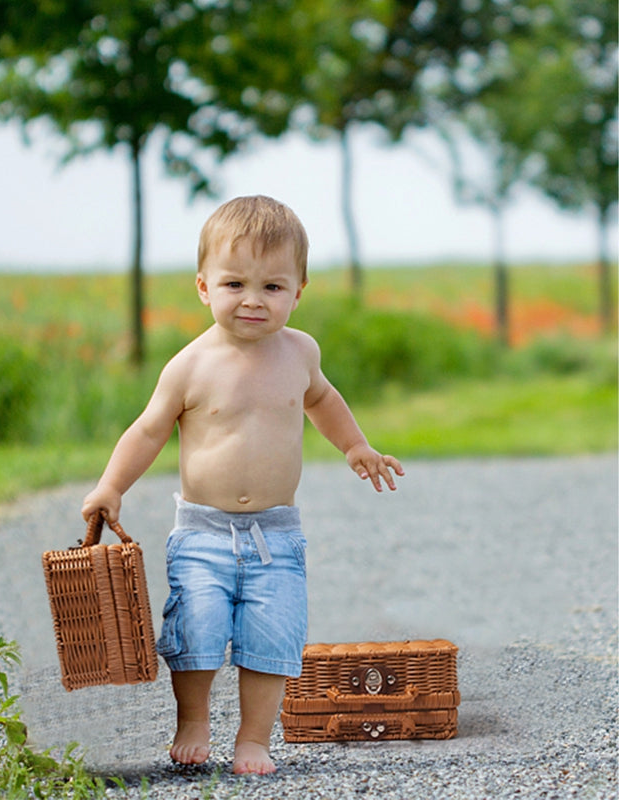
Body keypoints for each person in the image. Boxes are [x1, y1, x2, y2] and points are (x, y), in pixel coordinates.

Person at [81, 195, 403, 775]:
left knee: (271, 635)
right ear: (204, 287)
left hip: (276, 535)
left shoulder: (300, 352)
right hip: (203, 531)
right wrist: (111, 486)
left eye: (272, 288)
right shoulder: (190, 365)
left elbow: (323, 400)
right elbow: (149, 430)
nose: (253, 300)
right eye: (235, 284)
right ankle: (194, 721)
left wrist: (355, 445)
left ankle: (254, 738)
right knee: (195, 628)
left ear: (298, 291)